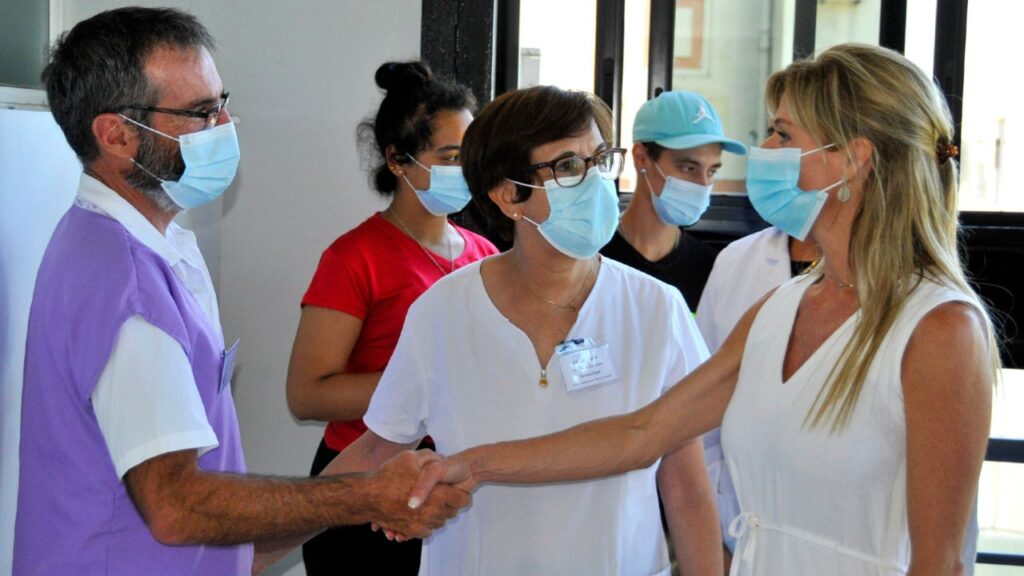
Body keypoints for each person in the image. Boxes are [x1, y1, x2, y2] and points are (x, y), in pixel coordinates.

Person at [414, 44, 998, 576]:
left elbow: (940, 563)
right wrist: (473, 465)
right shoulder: (779, 308)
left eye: (781, 134)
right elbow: (641, 435)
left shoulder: (940, 329)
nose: (763, 153)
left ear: (851, 159)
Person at [13, 9, 467, 576]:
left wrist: (363, 475)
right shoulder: (125, 286)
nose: (227, 124)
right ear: (117, 135)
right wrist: (363, 497)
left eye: (221, 102)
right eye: (202, 113)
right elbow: (177, 507)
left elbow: (202, 507)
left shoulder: (145, 244)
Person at [327, 85, 722, 575]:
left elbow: (686, 485)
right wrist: (259, 536)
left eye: (600, 160)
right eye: (569, 167)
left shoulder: (656, 308)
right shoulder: (444, 311)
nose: (597, 181)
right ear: (507, 194)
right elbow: (379, 447)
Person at [286, 61, 497, 574]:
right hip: (364, 483)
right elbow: (307, 393)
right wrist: (420, 382)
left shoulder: (485, 254)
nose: (465, 169)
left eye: (471, 156)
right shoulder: (354, 257)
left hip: (450, 483)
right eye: (450, 157)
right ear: (398, 161)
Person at [695, 226, 818, 566]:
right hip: (740, 531)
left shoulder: (938, 316)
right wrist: (709, 539)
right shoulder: (738, 262)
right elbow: (692, 417)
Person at [601, 90, 747, 309]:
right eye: (688, 168)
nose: (702, 184)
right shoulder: (595, 260)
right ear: (642, 158)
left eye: (712, 171)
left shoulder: (714, 270)